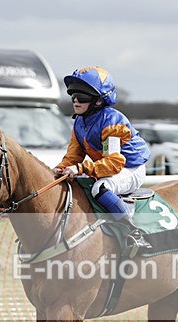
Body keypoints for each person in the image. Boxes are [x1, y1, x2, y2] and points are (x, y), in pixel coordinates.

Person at [54, 66, 152, 255]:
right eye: (73, 94)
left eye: (81, 96)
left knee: (101, 188)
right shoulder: (79, 122)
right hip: (110, 166)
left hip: (130, 168)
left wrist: (81, 168)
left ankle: (133, 232)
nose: (75, 100)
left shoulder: (112, 121)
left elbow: (114, 163)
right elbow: (73, 156)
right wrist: (58, 171)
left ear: (99, 100)